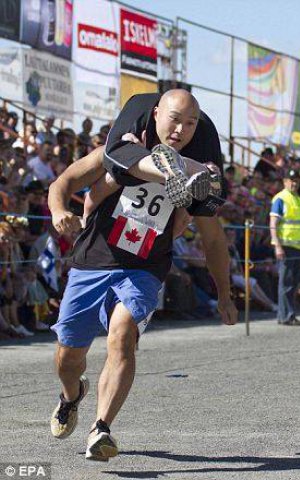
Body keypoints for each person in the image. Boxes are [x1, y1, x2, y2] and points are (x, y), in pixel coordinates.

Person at [47, 90, 238, 462]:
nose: (180, 129)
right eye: (173, 119)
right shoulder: (123, 148)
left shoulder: (196, 173)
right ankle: (71, 395)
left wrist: (226, 295)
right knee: (69, 358)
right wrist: (57, 212)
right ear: (154, 115)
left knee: (122, 336)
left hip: (144, 267)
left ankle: (100, 428)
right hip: (94, 258)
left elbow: (214, 242)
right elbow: (63, 183)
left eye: (190, 123)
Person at [270, 169, 300, 326]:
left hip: (297, 247)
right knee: (286, 283)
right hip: (285, 246)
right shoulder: (280, 199)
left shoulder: (299, 200)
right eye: (291, 180)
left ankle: (287, 314)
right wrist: (277, 246)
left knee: (293, 282)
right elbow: (273, 224)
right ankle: (286, 315)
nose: (294, 183)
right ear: (284, 181)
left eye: (296, 180)